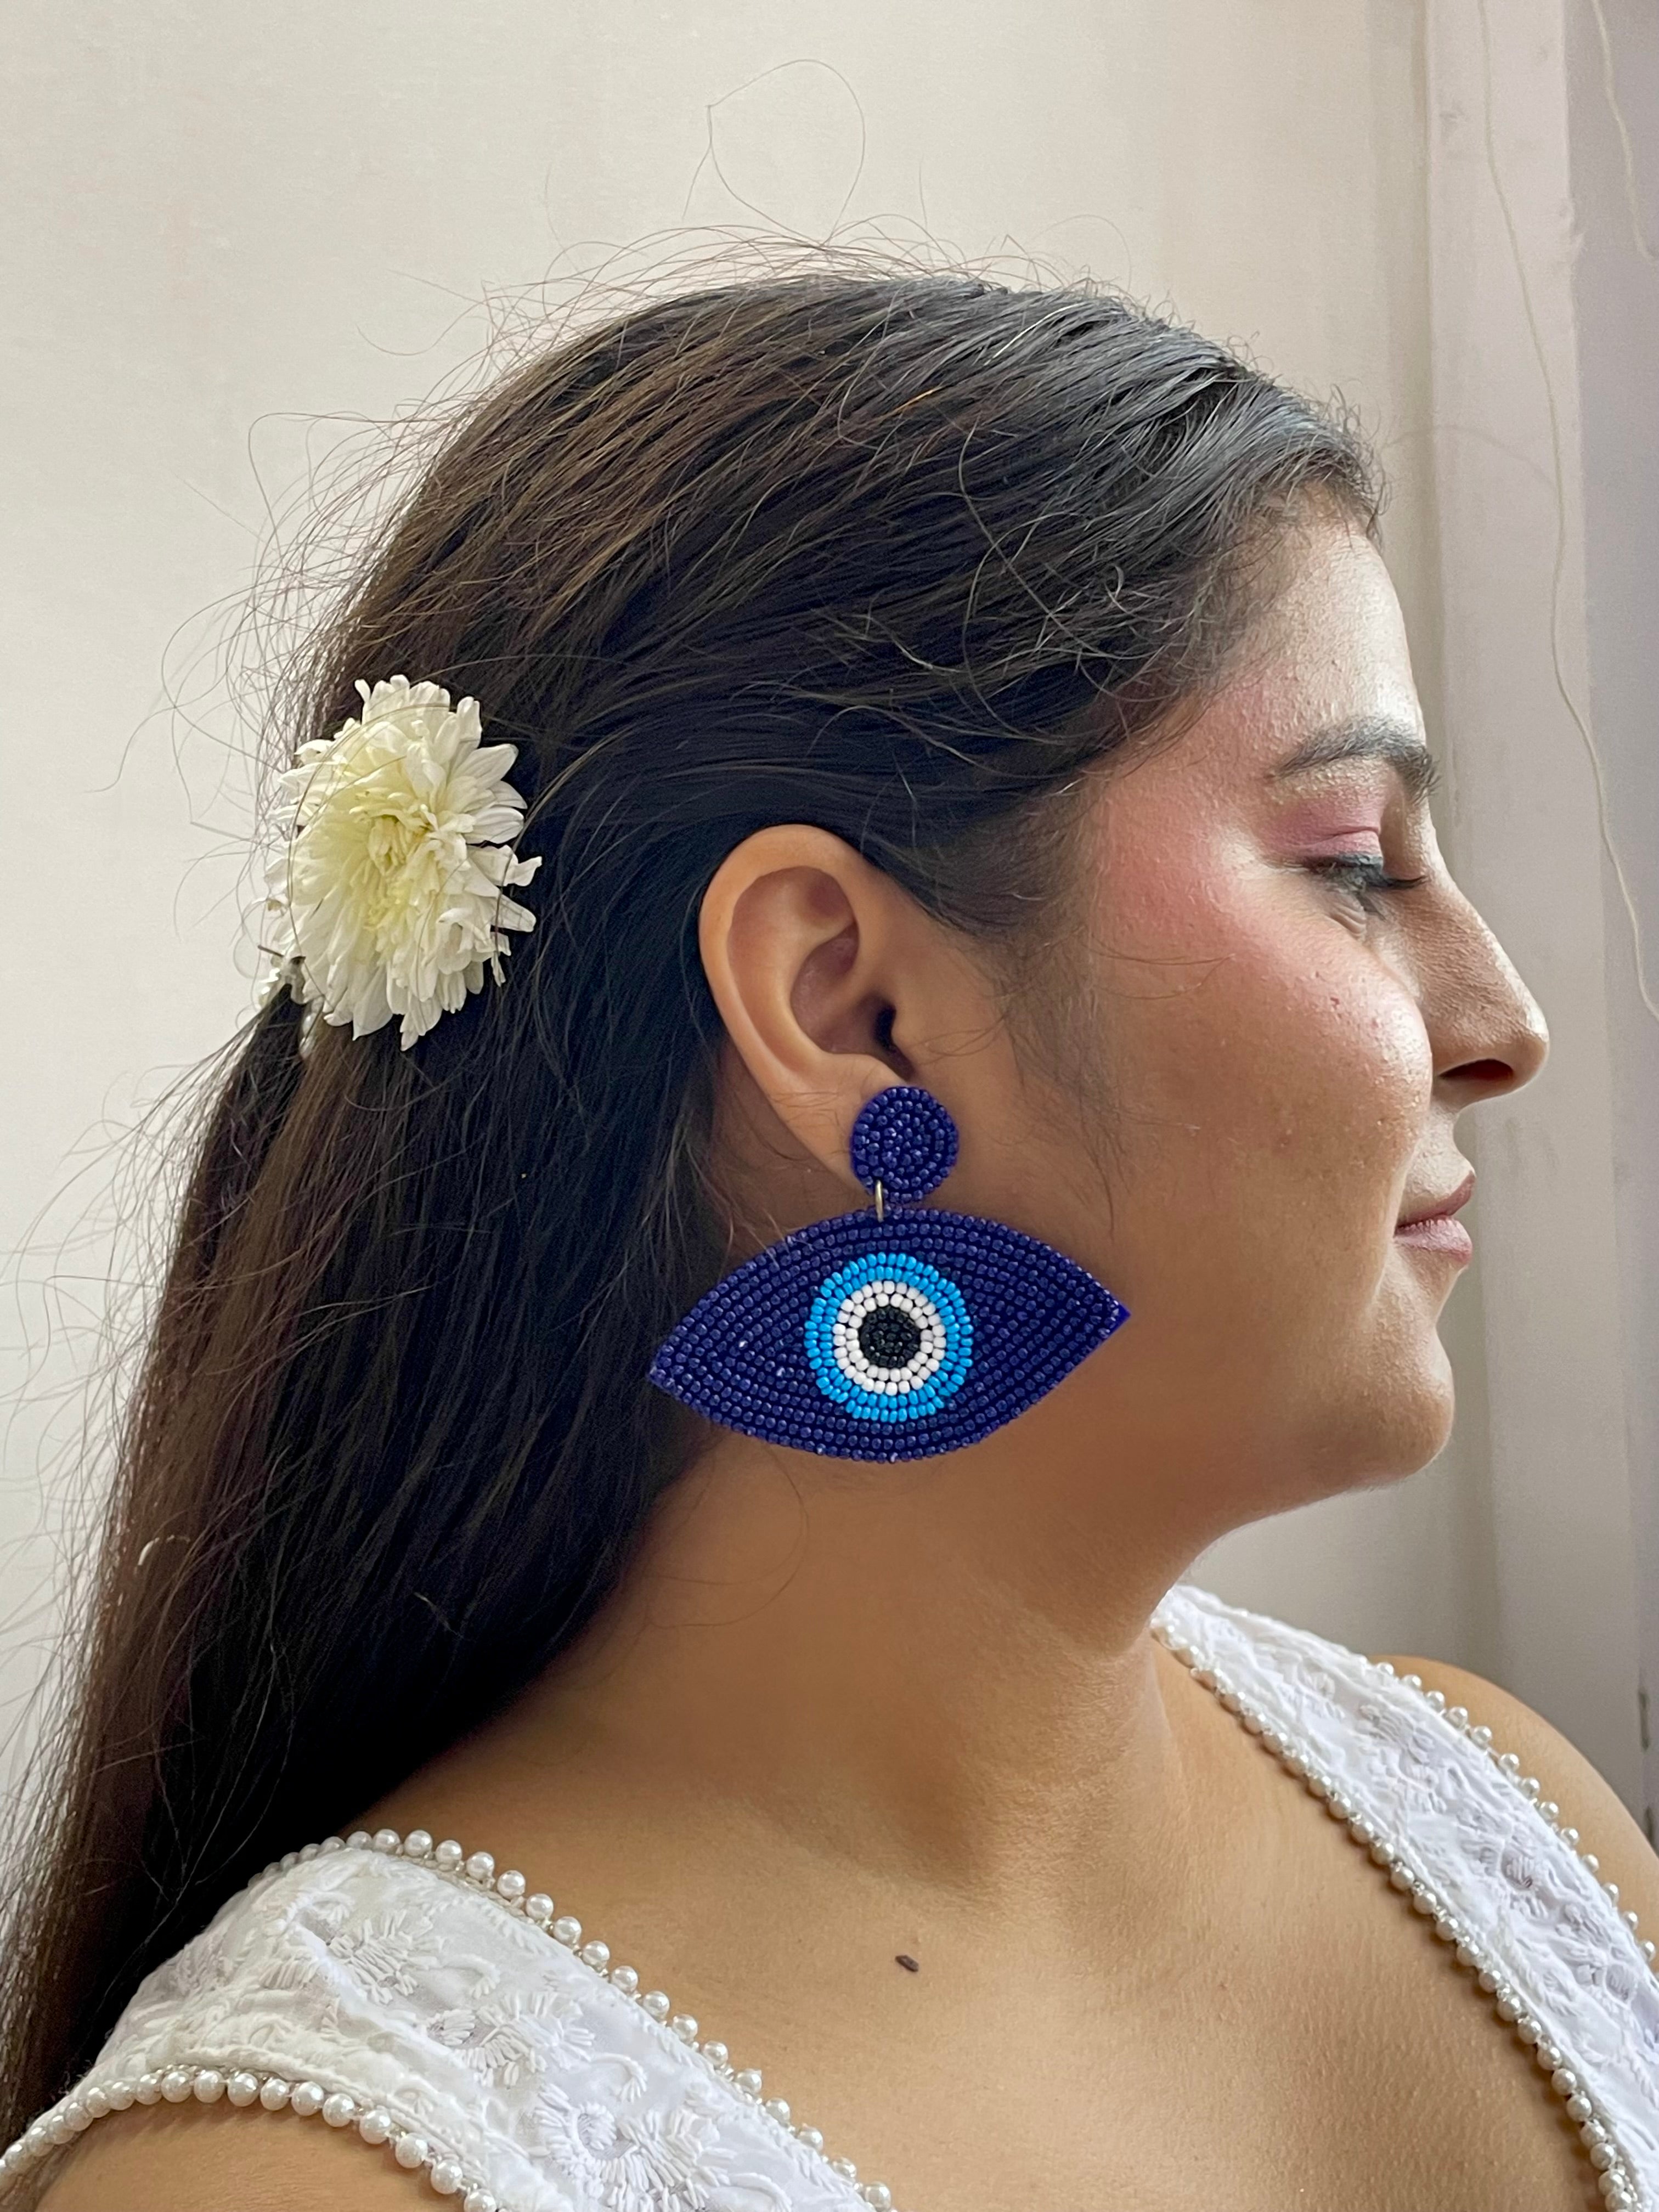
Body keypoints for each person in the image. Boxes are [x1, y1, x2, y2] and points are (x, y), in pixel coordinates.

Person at [2, 271, 1654, 2212]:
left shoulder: (1517, 1827)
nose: (1507, 1025)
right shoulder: (302, 2183)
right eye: (1356, 863)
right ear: (851, 1005)